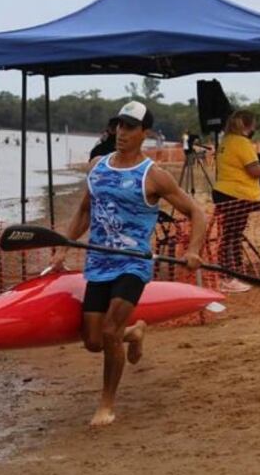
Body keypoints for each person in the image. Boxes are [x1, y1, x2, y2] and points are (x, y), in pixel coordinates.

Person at [52, 101, 206, 427]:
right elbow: (84, 211)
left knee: (109, 330)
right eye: (118, 126)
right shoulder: (98, 165)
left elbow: (197, 213)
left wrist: (193, 250)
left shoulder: (154, 176)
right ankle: (135, 333)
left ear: (144, 133)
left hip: (133, 265)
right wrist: (63, 247)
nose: (121, 132)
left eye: (129, 127)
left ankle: (106, 403)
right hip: (98, 263)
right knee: (93, 340)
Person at [211, 110, 260, 293]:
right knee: (233, 236)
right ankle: (230, 276)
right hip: (237, 194)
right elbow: (254, 170)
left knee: (229, 235)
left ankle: (229, 273)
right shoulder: (242, 143)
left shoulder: (226, 140)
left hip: (223, 191)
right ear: (248, 125)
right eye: (254, 123)